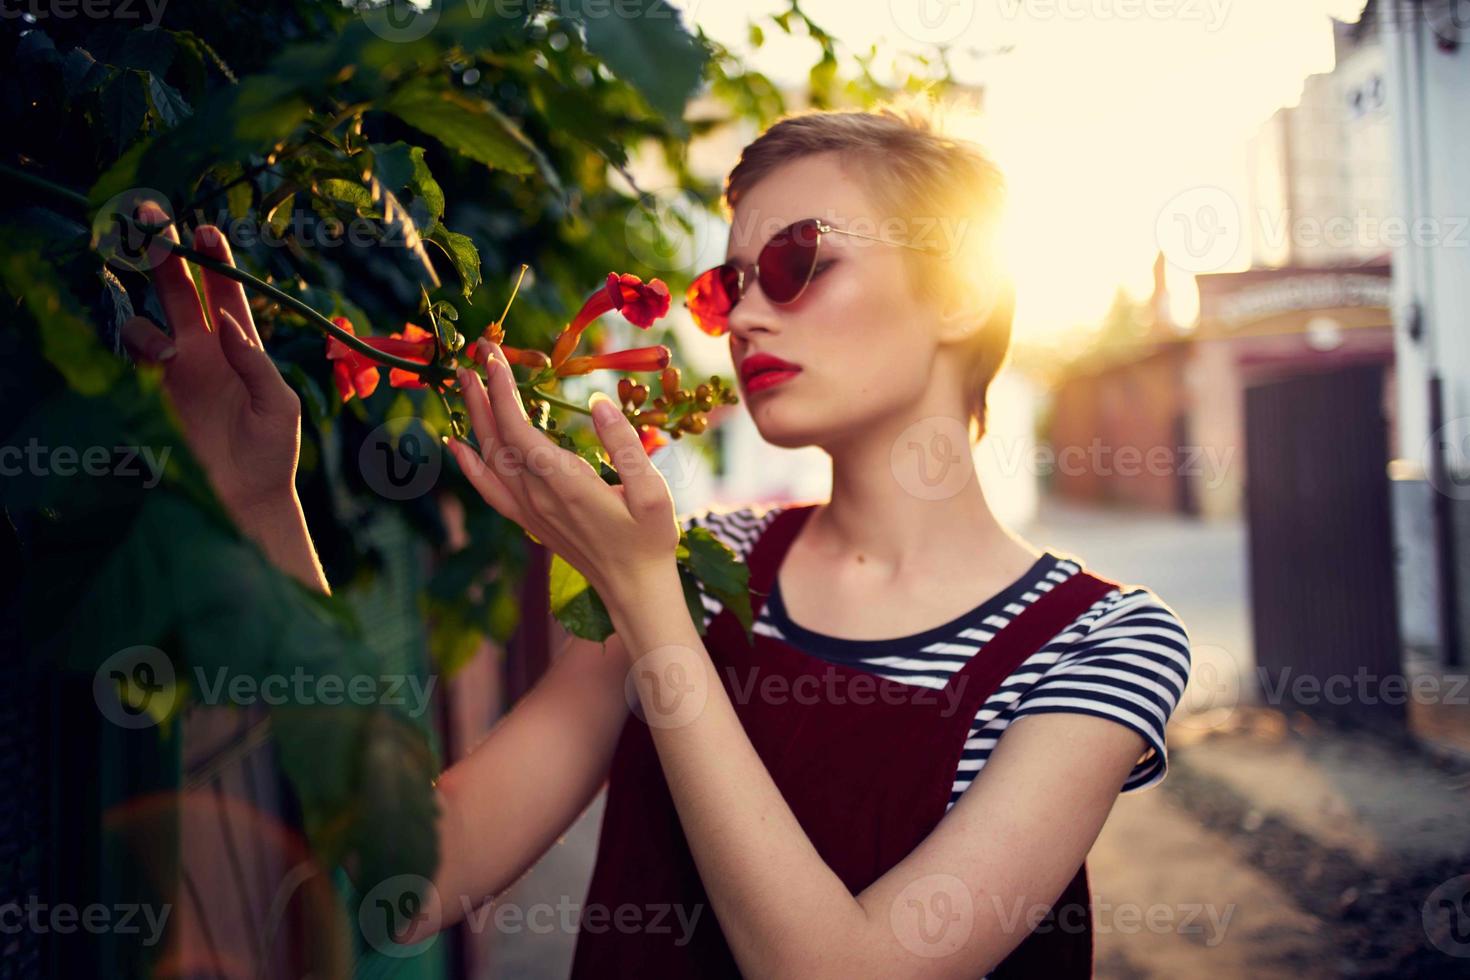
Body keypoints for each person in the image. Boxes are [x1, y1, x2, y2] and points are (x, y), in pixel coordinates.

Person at [124, 101, 1191, 978]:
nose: (744, 321)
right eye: (730, 287)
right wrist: (261, 503)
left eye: (798, 260)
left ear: (960, 289)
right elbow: (411, 869)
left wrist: (644, 599)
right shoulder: (700, 564)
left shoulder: (1104, 642)